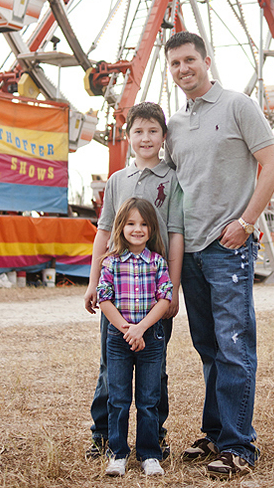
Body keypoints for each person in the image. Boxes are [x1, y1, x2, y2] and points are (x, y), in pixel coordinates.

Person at [163, 31, 274, 478]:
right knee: (209, 347)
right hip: (189, 249)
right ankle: (215, 433)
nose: (183, 69)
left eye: (189, 60)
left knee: (235, 345)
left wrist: (247, 222)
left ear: (207, 60)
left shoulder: (238, 105)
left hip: (226, 247)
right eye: (175, 64)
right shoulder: (174, 125)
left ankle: (239, 445)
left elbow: (273, 165)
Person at [83, 102, 184, 460]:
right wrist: (94, 281)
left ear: (163, 137)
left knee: (156, 368)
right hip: (118, 292)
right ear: (128, 137)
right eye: (138, 131)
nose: (145, 138)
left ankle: (155, 435)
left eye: (152, 131)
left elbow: (174, 235)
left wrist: (172, 290)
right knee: (110, 366)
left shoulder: (171, 180)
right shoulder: (117, 180)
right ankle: (103, 435)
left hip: (154, 294)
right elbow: (104, 232)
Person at [97, 197, 174, 477]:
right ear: (121, 227)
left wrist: (141, 328)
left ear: (151, 230)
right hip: (119, 340)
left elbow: (165, 297)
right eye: (131, 223)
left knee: (148, 399)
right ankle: (117, 453)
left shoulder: (157, 262)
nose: (137, 229)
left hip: (151, 337)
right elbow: (104, 299)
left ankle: (149, 453)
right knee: (117, 398)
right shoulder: (112, 262)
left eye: (143, 224)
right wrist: (128, 330)